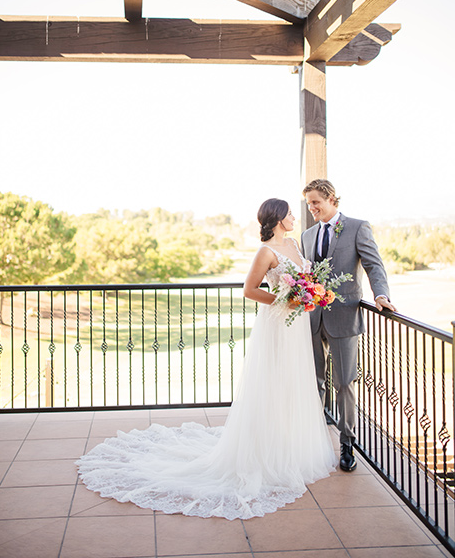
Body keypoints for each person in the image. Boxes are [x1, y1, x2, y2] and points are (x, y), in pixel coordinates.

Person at [76, 198, 336, 520]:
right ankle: (267, 453)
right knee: (274, 384)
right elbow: (249, 290)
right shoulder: (266, 252)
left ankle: (294, 448)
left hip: (296, 326)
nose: (295, 216)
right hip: (278, 324)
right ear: (278, 218)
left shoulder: (295, 245)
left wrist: (309, 292)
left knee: (295, 384)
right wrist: (286, 299)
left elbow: (305, 279)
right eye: (290, 213)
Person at [301, 178, 396, 472]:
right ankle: (313, 444)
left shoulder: (357, 227)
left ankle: (347, 444)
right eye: (309, 204)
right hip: (313, 318)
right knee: (313, 384)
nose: (312, 208)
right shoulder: (307, 235)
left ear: (331, 198)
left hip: (345, 317)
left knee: (344, 384)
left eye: (316, 202)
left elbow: (373, 265)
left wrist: (381, 294)